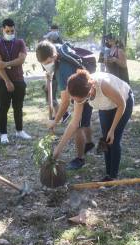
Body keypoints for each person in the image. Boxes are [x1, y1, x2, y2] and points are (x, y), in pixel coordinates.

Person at [53, 70, 133, 181]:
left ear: (90, 91)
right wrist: (58, 149)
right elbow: (74, 123)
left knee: (113, 139)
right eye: (75, 100)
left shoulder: (103, 85)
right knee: (105, 139)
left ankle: (112, 177)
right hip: (106, 106)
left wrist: (113, 129)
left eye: (79, 100)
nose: (77, 102)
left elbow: (122, 104)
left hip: (124, 102)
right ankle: (108, 172)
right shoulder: (78, 92)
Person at [36, 40, 95, 170]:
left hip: (84, 92)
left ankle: (80, 158)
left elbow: (65, 101)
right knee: (84, 121)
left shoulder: (63, 69)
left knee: (77, 126)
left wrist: (55, 121)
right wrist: (48, 74)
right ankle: (89, 143)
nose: (46, 66)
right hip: (83, 84)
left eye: (47, 63)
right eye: (43, 64)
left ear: (54, 57)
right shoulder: (54, 50)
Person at [0, 18, 31, 144]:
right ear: (2, 29)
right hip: (3, 81)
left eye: (12, 31)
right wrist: (7, 81)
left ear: (15, 29)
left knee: (18, 107)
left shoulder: (20, 42)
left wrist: (6, 63)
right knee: (3, 107)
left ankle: (19, 131)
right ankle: (3, 134)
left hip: (19, 80)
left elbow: (21, 59)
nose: (10, 33)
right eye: (7, 31)